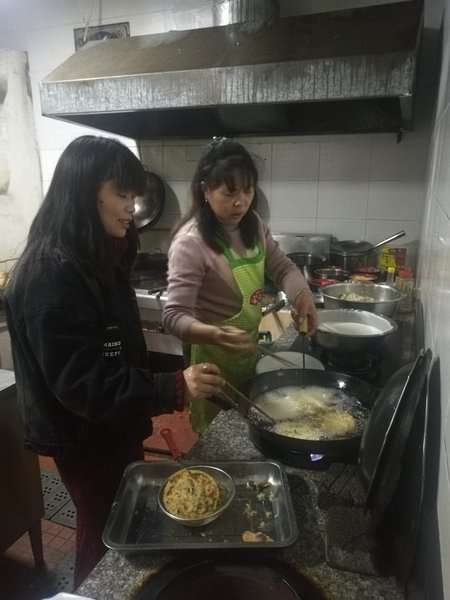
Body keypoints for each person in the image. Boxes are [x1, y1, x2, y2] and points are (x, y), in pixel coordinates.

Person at [4, 135, 224, 588]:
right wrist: (172, 387)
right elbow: (84, 385)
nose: (131, 206)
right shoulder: (52, 274)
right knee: (104, 531)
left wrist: (168, 380)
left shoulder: (96, 254)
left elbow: (113, 354)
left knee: (119, 519)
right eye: (121, 194)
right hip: (82, 436)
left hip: (110, 424)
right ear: (84, 193)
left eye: (133, 195)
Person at [162, 137, 318, 434]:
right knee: (220, 437)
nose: (241, 202)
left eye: (247, 190)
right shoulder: (191, 243)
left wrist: (302, 295)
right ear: (205, 190)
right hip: (212, 366)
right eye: (230, 192)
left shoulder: (253, 224)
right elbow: (173, 317)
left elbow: (283, 267)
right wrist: (216, 334)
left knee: (253, 429)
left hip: (248, 355)